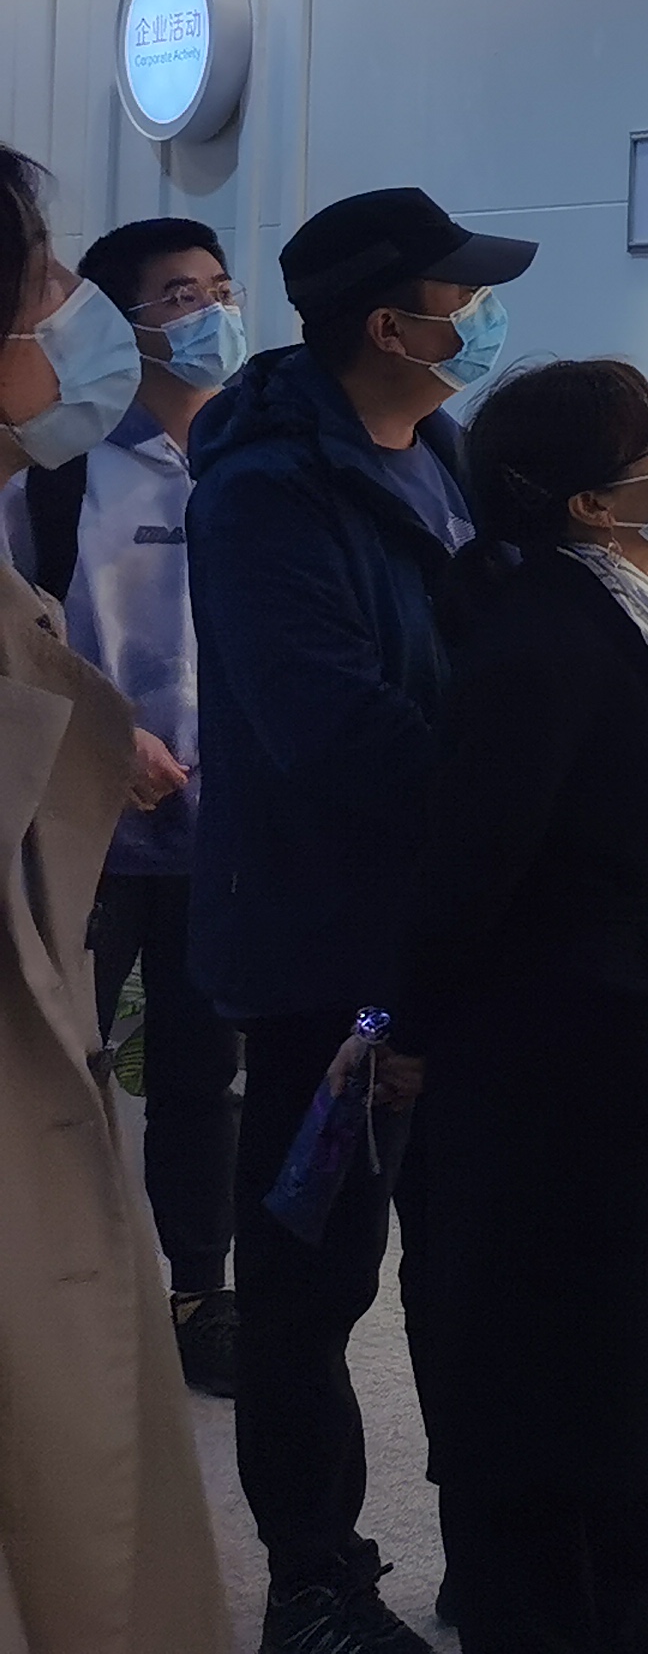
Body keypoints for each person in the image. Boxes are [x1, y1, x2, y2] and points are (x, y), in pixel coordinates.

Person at [187, 184, 535, 1654]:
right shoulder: (267, 492)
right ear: (390, 326)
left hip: (452, 930)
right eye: (462, 299)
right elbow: (331, 729)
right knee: (310, 1283)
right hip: (329, 953)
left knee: (467, 1263)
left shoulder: (438, 452)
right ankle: (313, 1582)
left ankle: (500, 1557)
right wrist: (518, 791)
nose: (483, 319)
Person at [383, 361, 648, 1653]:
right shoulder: (541, 643)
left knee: (613, 1330)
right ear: (588, 501)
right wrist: (409, 1031)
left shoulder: (626, 607)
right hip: (540, 1056)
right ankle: (531, 1606)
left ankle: (619, 1582)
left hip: (621, 1036)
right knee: (529, 1347)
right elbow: (470, 869)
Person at [0, 144, 230, 1654]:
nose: (66, 312)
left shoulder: (246, 457)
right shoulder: (68, 477)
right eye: (46, 282)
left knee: (185, 1077)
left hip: (190, 826)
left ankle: (200, 1282)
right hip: (87, 847)